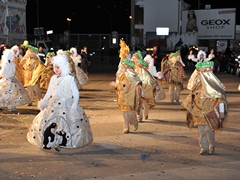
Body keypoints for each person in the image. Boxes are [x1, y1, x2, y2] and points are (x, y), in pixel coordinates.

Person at [27, 53, 93, 151]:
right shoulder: (53, 78)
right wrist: (44, 101)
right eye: (54, 67)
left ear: (64, 67)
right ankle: (50, 142)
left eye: (58, 67)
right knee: (50, 123)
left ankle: (63, 142)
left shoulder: (69, 78)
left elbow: (75, 93)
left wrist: (74, 105)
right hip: (53, 103)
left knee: (67, 124)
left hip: (67, 103)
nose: (55, 69)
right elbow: (49, 92)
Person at [181, 61, 228, 155]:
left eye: (201, 74)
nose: (199, 76)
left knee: (208, 130)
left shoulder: (213, 86)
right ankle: (203, 148)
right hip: (199, 112)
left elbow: (220, 99)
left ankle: (211, 146)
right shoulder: (198, 85)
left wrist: (222, 112)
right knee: (201, 131)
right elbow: (191, 92)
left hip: (210, 112)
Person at [109, 40, 142, 133]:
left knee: (130, 110)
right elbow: (119, 81)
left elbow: (134, 82)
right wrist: (116, 84)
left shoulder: (131, 72)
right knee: (124, 110)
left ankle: (134, 122)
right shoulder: (120, 72)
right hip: (122, 92)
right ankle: (126, 127)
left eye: (123, 66)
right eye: (121, 66)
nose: (122, 67)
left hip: (130, 92)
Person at [131, 50, 165, 122]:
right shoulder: (133, 69)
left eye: (134, 58)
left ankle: (145, 114)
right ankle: (139, 115)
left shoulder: (144, 69)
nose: (133, 60)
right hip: (138, 84)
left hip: (145, 84)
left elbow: (150, 77)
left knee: (145, 101)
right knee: (139, 101)